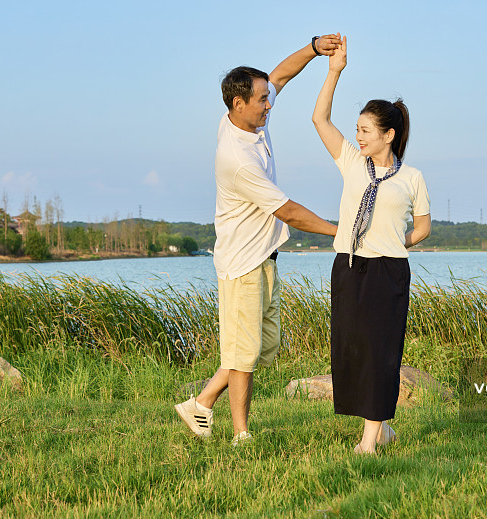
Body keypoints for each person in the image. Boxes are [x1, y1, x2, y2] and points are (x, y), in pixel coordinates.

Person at [175, 35, 341, 445]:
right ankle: (241, 434)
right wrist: (344, 231)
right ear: (238, 104)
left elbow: (280, 74)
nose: (270, 104)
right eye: (263, 99)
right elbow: (288, 212)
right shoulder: (238, 159)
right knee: (243, 357)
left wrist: (314, 48)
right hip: (243, 264)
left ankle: (201, 402)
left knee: (258, 349)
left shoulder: (247, 119)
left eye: (268, 97)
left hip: (264, 258)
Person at [312, 36, 431, 454]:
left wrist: (398, 243)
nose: (358, 135)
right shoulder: (351, 162)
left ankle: (369, 441)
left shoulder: (411, 177)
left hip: (388, 269)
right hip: (348, 266)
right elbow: (319, 119)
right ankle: (380, 428)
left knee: (382, 352)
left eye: (365, 130)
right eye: (358, 129)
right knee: (353, 350)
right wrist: (334, 71)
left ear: (388, 135)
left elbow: (423, 227)